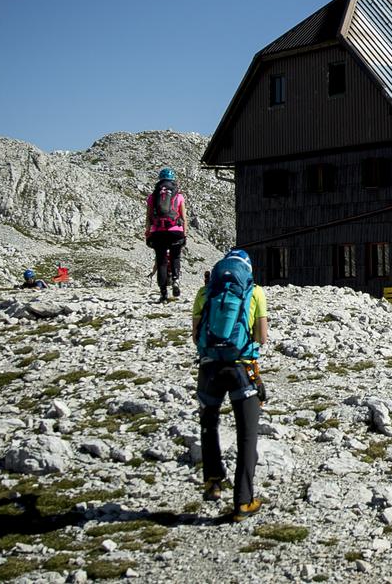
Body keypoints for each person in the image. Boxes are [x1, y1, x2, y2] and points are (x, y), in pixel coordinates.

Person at [192, 248, 269, 522]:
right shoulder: (255, 292)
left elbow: (196, 336)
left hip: (209, 368)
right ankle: (243, 502)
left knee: (209, 424)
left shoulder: (205, 293)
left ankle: (213, 482)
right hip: (242, 368)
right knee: (247, 435)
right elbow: (262, 337)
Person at [146, 168, 187, 303]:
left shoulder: (153, 196)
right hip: (175, 230)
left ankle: (163, 294)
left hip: (158, 232)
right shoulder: (179, 196)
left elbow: (149, 217)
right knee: (175, 256)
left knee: (161, 261)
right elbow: (183, 217)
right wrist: (184, 234)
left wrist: (148, 233)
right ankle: (175, 280)